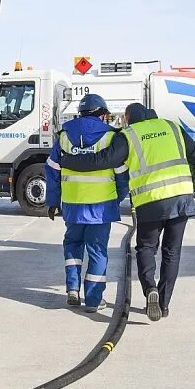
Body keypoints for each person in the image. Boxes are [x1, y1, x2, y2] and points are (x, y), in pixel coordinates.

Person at [60, 103, 195, 322]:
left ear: (129, 118)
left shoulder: (129, 135)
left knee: (146, 247)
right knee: (172, 252)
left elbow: (104, 160)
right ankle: (164, 303)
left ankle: (150, 287)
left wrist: (70, 160)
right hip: (181, 198)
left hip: (151, 202)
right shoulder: (172, 127)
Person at [45, 93, 129, 314]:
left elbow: (52, 169)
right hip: (102, 206)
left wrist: (53, 200)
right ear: (101, 114)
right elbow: (121, 172)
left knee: (72, 244)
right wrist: (119, 197)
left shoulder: (64, 136)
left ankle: (73, 287)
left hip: (73, 204)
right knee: (97, 251)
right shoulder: (111, 137)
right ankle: (93, 301)